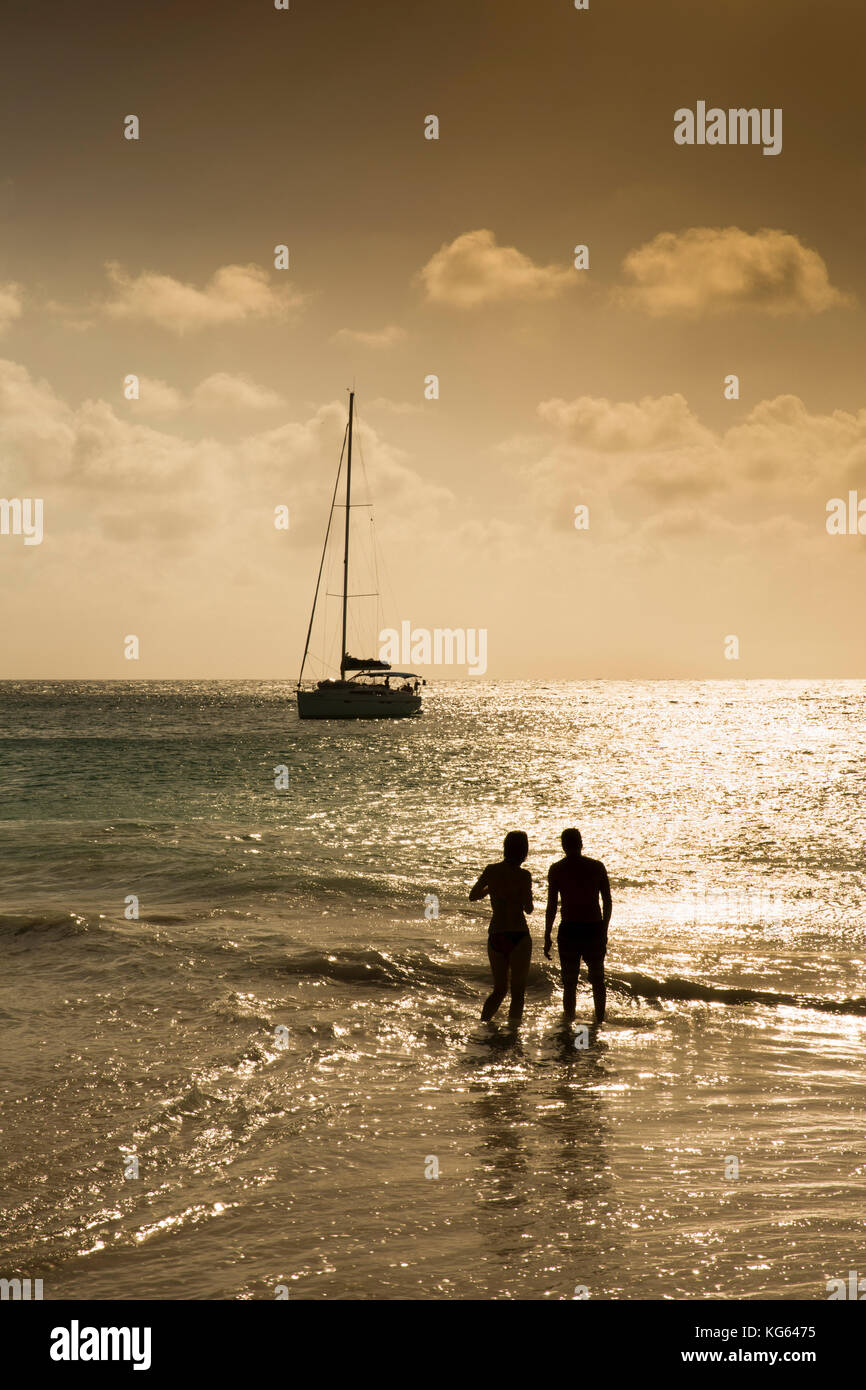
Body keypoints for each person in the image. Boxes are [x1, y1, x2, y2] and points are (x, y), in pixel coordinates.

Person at [544, 828, 611, 1024]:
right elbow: (607, 901)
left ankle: (569, 1022)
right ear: (581, 843)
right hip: (593, 928)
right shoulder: (597, 867)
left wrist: (547, 934)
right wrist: (604, 929)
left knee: (570, 983)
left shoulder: (556, 869)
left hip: (569, 930)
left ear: (563, 845)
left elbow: (551, 906)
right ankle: (599, 1022)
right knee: (598, 979)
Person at [470, 831, 533, 1023]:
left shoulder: (491, 870)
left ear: (505, 848)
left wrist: (492, 888)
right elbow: (528, 909)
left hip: (497, 934)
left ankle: (483, 1025)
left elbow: (473, 895)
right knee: (518, 991)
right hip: (518, 935)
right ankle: (513, 1032)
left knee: (499, 990)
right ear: (524, 851)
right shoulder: (524, 875)